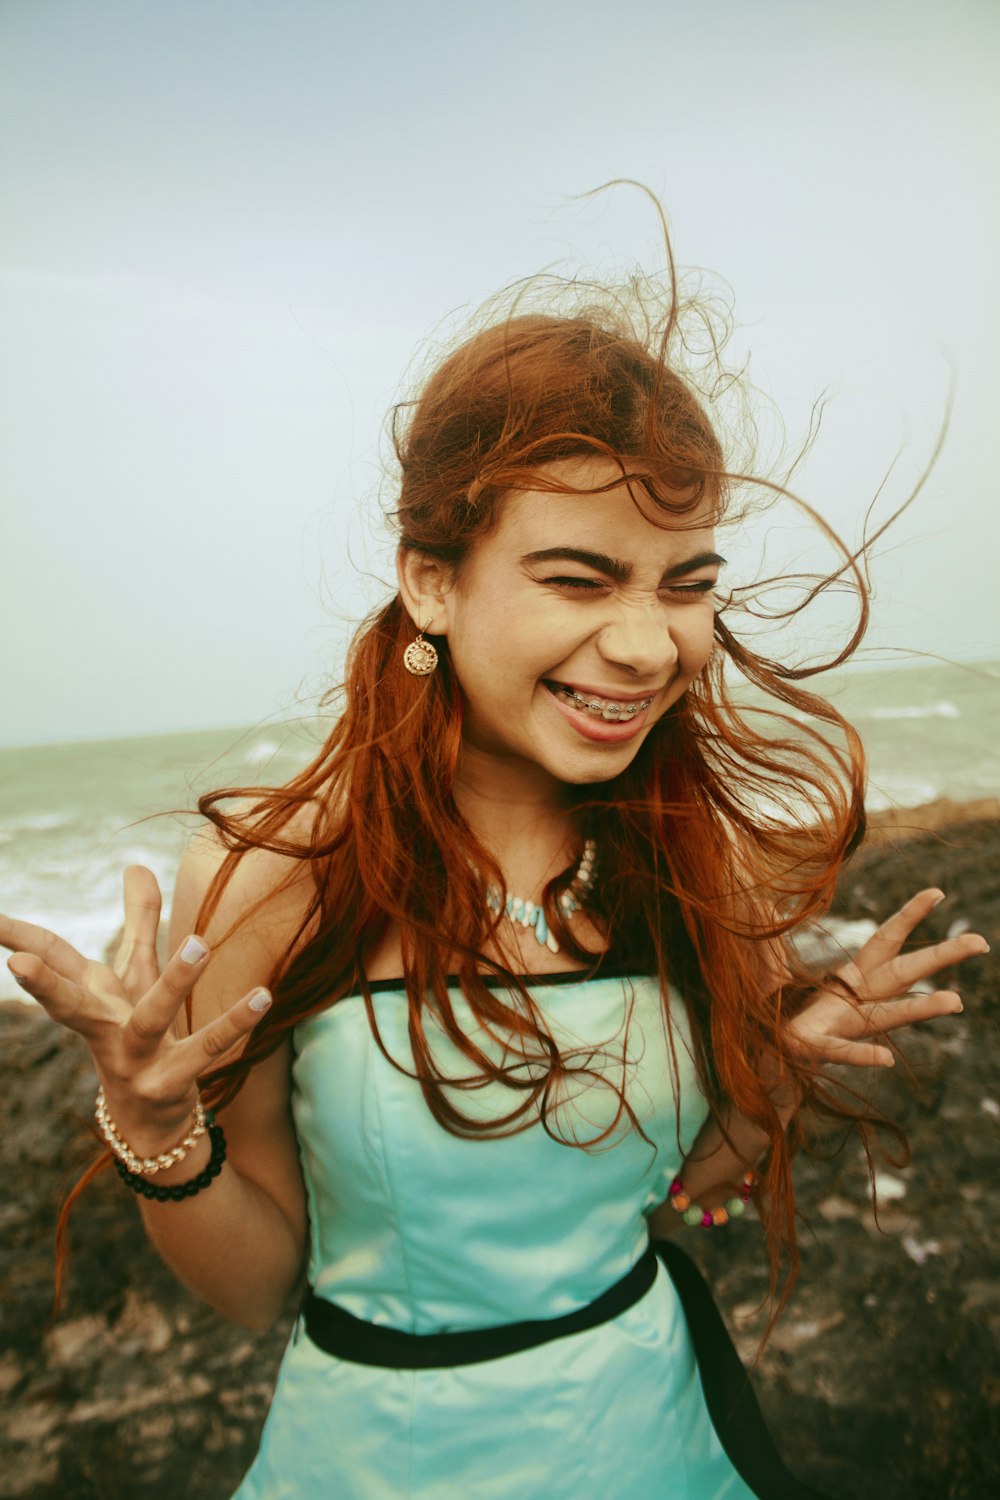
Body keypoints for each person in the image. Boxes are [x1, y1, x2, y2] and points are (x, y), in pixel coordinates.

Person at [0, 217, 987, 1500]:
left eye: (684, 584)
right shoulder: (272, 875)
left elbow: (662, 1197)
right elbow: (254, 1288)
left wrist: (774, 1077)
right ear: (430, 583)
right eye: (579, 579)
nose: (647, 645)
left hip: (662, 1434)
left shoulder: (694, 859)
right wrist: (149, 1120)